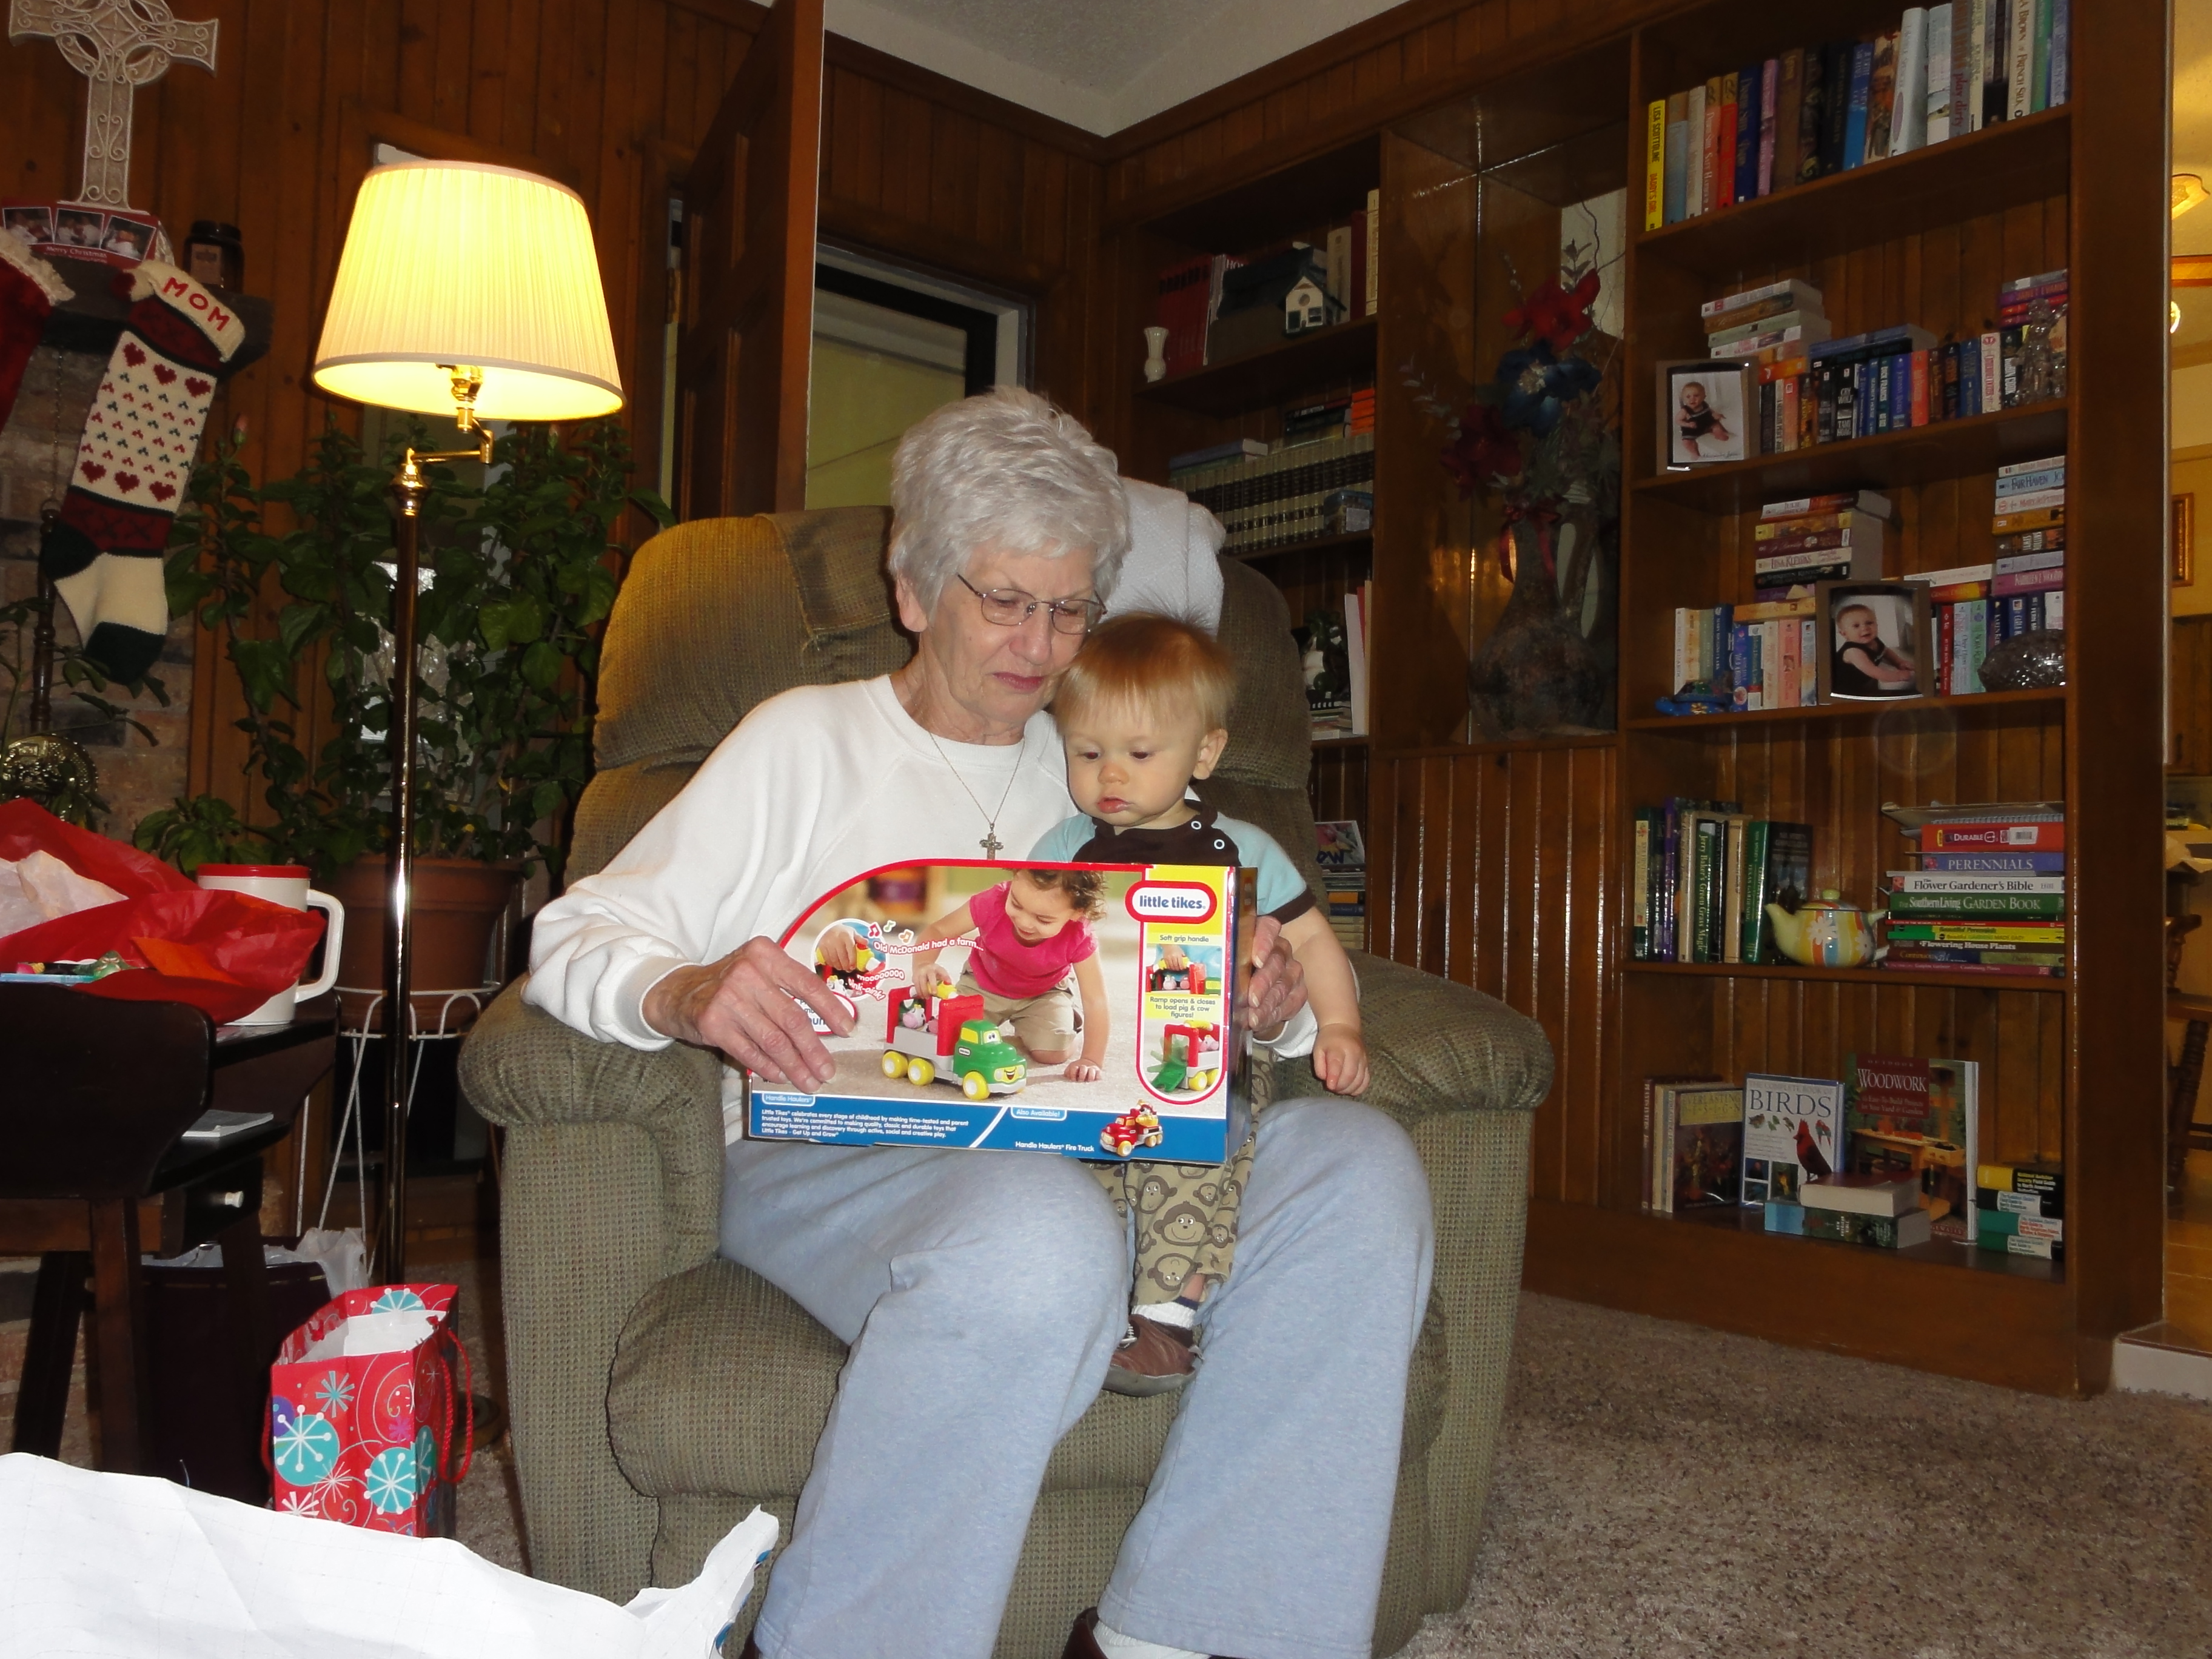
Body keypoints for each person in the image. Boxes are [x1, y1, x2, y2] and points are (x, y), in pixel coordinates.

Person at [526, 387, 1432, 1659]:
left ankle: (1180, 1639)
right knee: (1035, 1233)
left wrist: (1273, 1008)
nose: (1040, 644)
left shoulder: (1114, 758)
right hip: (836, 1145)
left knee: (1358, 1170)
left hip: (1114, 1141)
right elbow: (574, 935)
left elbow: (1221, 987)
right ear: (913, 589)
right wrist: (685, 990)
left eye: (1070, 609)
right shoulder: (801, 745)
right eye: (1004, 600)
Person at [1031, 611, 1370, 1396]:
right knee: (1070, 1172)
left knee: (1190, 1160)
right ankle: (1093, 1298)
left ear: (1205, 753)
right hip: (1096, 1058)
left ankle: (1166, 1323)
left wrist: (1342, 1026)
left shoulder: (1244, 848)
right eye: (1088, 753)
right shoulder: (1065, 848)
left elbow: (1315, 943)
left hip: (1206, 1064)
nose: (1110, 776)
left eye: (1139, 754)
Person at [905, 865, 1111, 1077]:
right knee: (953, 1041)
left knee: (1052, 1053)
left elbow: (1095, 1000)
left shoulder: (1080, 935)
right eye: (1016, 904)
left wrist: (1091, 1059)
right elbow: (939, 930)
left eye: (1043, 919)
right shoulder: (992, 901)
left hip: (1044, 993)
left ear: (1077, 912)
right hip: (982, 984)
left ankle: (1069, 1020)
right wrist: (923, 964)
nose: (1024, 922)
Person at [1830, 599, 1916, 695]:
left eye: (1869, 623)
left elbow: (1885, 651)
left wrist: (1899, 662)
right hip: (1847, 688)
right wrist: (1897, 676)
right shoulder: (1853, 652)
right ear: (1844, 634)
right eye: (1856, 626)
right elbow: (1875, 672)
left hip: (1865, 680)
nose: (1865, 628)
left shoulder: (1874, 640)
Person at [1675, 377, 1731, 458]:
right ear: (1684, 399)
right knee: (1686, 443)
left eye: (1696, 396)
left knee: (1716, 425)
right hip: (1693, 429)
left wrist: (1715, 414)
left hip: (1706, 424)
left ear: (1704, 397)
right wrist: (1688, 424)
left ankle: (1718, 433)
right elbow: (1678, 421)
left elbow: (1709, 410)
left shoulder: (1704, 404)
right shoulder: (1685, 411)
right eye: (1688, 397)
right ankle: (1695, 453)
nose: (1692, 399)